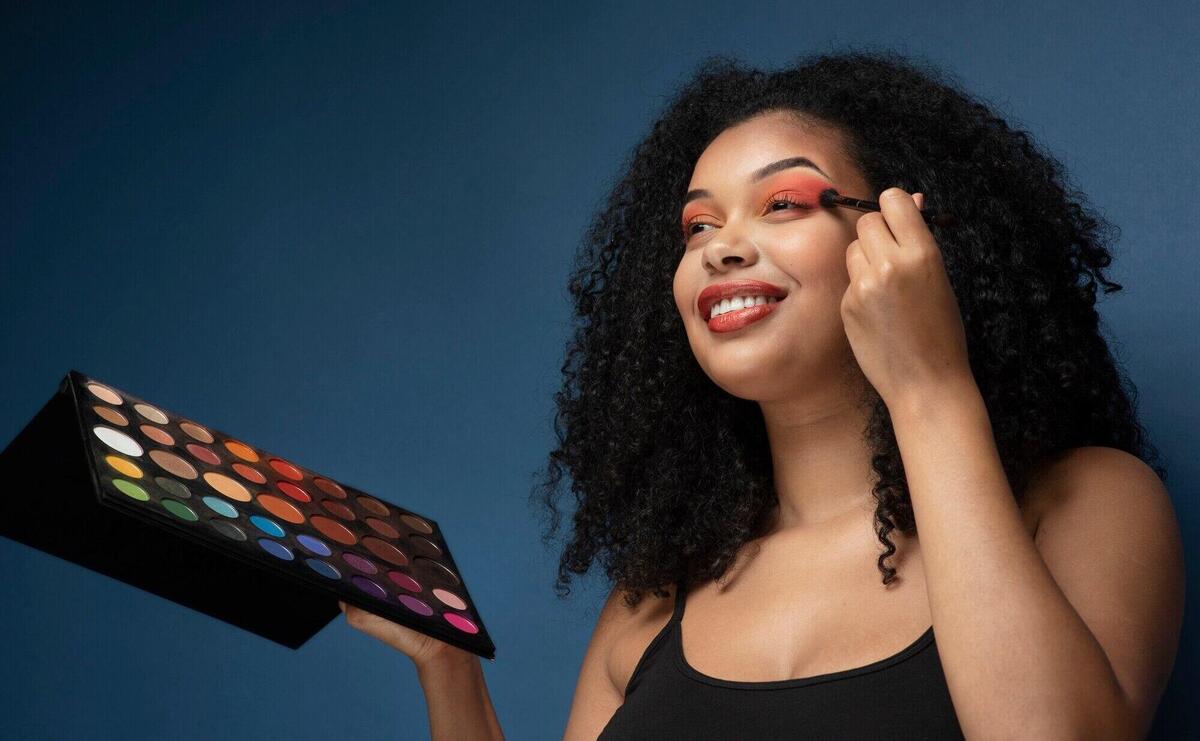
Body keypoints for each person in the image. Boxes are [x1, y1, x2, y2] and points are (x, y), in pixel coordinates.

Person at [340, 49, 1184, 739]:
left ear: (906, 236)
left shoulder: (1086, 502)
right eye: (698, 226)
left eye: (782, 203)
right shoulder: (655, 597)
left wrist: (929, 382)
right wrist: (448, 667)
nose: (721, 248)